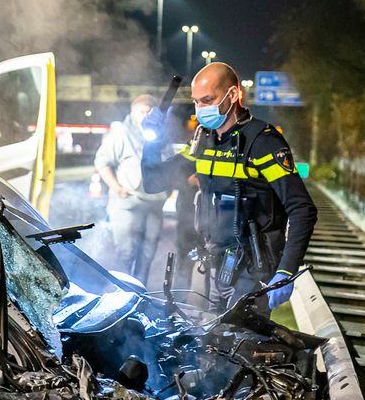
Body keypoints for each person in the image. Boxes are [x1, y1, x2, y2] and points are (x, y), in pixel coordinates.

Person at [141, 62, 317, 312]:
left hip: (255, 268)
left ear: (233, 95)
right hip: (217, 265)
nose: (200, 109)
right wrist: (151, 142)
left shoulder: (263, 142)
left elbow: (302, 209)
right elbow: (153, 182)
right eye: (196, 102)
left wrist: (286, 271)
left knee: (240, 343)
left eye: (207, 99)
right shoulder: (204, 142)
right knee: (211, 345)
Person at [95, 95, 168, 286]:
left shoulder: (161, 135)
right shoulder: (121, 134)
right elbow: (102, 163)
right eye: (141, 112)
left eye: (148, 112)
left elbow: (169, 163)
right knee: (126, 252)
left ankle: (139, 292)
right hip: (126, 203)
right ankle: (123, 291)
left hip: (154, 203)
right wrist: (117, 188)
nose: (145, 116)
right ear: (132, 113)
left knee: (147, 253)